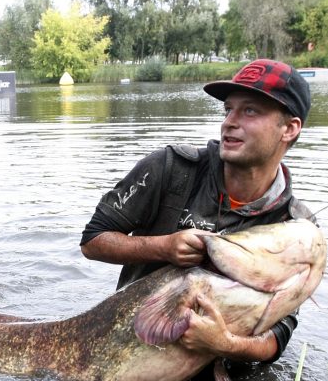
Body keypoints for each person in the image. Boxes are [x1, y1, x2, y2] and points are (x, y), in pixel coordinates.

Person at [80, 59, 314, 364]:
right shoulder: (171, 168)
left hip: (216, 373)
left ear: (289, 128)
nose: (230, 121)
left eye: (250, 111)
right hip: (126, 350)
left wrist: (224, 345)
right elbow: (92, 241)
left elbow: (279, 335)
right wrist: (162, 247)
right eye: (228, 109)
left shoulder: (296, 229)